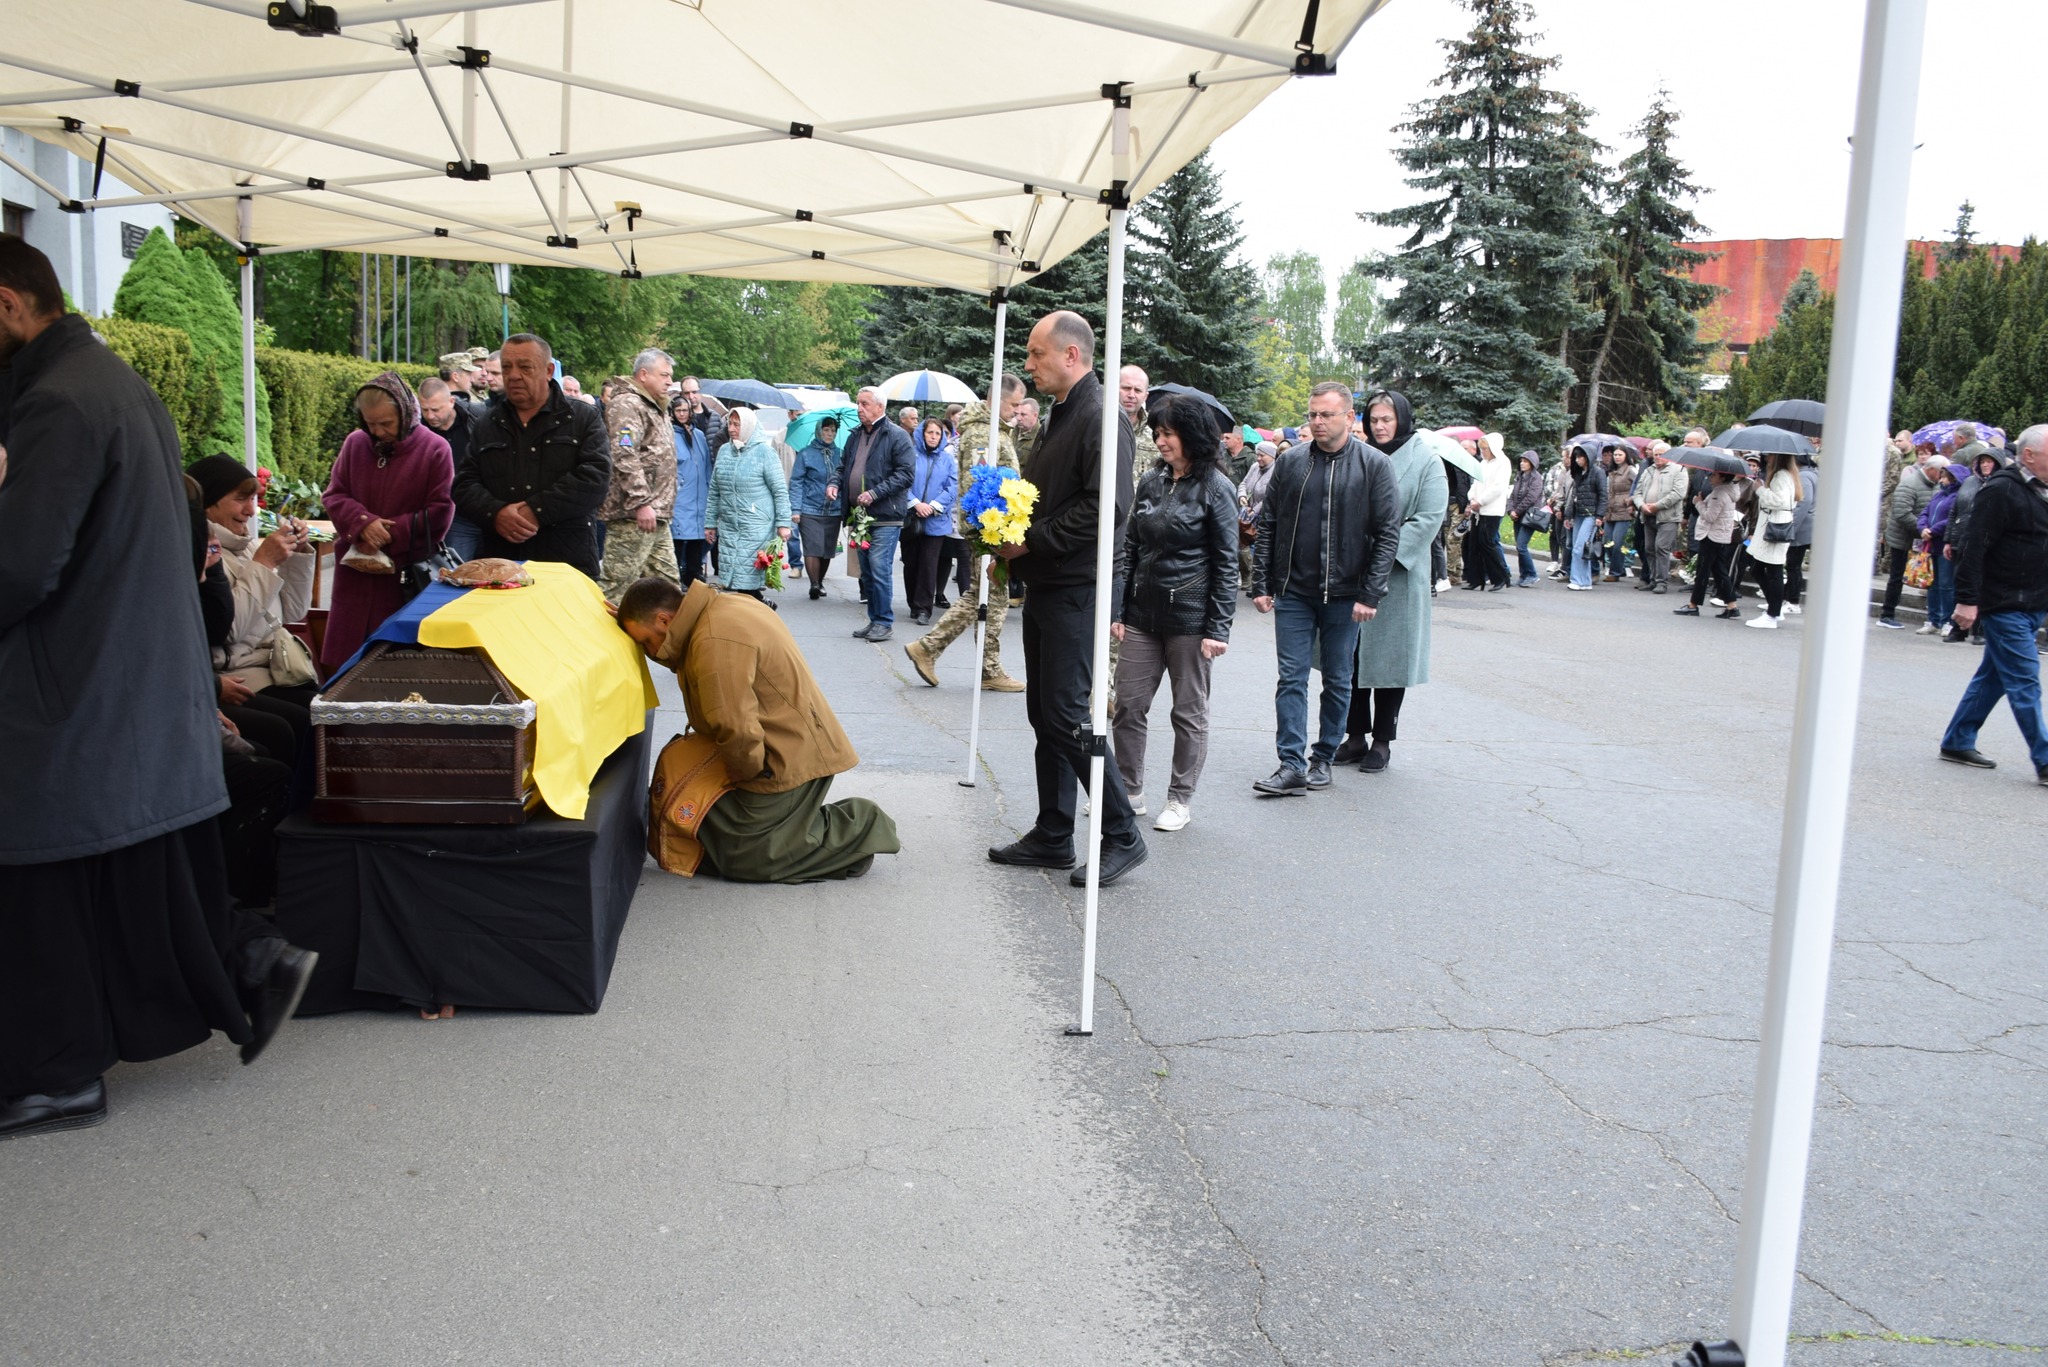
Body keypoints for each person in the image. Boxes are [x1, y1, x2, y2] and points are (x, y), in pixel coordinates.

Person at [0, 234, 314, 1138]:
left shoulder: (57, 402)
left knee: (42, 877)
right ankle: (248, 956)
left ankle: (57, 1069)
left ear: (9, 306)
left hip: (81, 683)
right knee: (129, 862)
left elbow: (22, 566)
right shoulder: (115, 384)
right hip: (130, 675)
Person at [985, 310, 1146, 886]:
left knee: (1065, 713)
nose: (1028, 365)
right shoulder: (1061, 413)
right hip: (1051, 583)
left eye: (1036, 354)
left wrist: (1030, 540)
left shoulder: (1103, 416)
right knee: (1044, 713)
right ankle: (1054, 833)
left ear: (1071, 356)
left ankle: (1122, 832)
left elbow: (1110, 509)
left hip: (1078, 586)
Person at [616, 578, 901, 879]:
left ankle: (862, 826)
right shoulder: (721, 607)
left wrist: (741, 780)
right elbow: (688, 657)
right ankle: (792, 825)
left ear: (664, 619)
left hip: (781, 759)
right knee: (712, 828)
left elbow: (737, 729)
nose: (649, 651)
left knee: (747, 858)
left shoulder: (714, 641)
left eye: (646, 641)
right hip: (778, 745)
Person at [1250, 381, 1401, 794]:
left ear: (1349, 419)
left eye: (1326, 415)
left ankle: (1324, 756)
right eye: (1313, 414)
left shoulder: (1374, 465)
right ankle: (1291, 763)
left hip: (1346, 594)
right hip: (1294, 591)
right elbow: (1271, 525)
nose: (1316, 422)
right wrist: (1261, 582)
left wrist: (1371, 593)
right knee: (1291, 678)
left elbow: (1388, 533)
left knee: (1337, 679)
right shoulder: (1292, 462)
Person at [1110, 396, 1238, 832]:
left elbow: (1227, 562)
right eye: (1157, 434)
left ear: (1191, 435)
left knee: (1188, 712)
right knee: (1127, 705)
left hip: (1191, 619)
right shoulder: (1150, 481)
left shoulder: (1218, 488)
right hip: (1142, 616)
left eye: (1168, 434)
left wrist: (1218, 627)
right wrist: (1118, 609)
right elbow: (1129, 548)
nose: (1160, 441)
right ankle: (1129, 790)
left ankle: (1180, 799)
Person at [320, 373, 456, 672]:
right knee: (346, 667)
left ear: (406, 413)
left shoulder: (435, 448)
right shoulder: (356, 443)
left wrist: (387, 534)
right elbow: (334, 495)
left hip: (403, 578)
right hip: (355, 574)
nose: (379, 432)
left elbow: (440, 511)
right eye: (371, 424)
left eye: (387, 424)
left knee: (397, 668)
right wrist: (362, 523)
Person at [1341, 390, 1447, 773]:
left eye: (1387, 419)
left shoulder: (1426, 461)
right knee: (1350, 658)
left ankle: (1382, 741)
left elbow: (1428, 518)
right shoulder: (1359, 456)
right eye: (1374, 419)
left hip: (1398, 578)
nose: (1380, 426)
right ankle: (1354, 736)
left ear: (1402, 418)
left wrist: (1382, 552)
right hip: (1352, 570)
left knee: (1389, 661)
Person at [903, 376, 1027, 693]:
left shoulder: (993, 430)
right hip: (988, 531)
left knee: (983, 595)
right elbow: (979, 486)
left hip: (992, 529)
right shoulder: (984, 434)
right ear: (996, 400)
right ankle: (974, 664)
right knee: (987, 596)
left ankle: (933, 650)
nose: (1017, 411)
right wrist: (995, 533)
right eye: (1013, 404)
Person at [1938, 424, 2048, 781]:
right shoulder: (2000, 490)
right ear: (2029, 455)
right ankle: (2045, 758)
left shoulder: (2042, 492)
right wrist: (1967, 601)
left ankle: (1957, 740)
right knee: (2025, 680)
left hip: (2034, 603)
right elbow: (1973, 549)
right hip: (2004, 604)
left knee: (1995, 677)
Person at [453, 332, 609, 580]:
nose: (514, 375)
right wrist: (497, 513)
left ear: (548, 371)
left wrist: (536, 511)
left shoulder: (582, 418)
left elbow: (595, 479)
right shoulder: (486, 423)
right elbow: (464, 485)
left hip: (567, 566)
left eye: (525, 367)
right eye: (507, 367)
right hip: (501, 564)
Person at [595, 348, 680, 603]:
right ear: (643, 374)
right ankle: (602, 642)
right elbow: (624, 453)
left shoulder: (654, 405)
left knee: (668, 587)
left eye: (670, 376)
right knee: (617, 587)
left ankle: (662, 640)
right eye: (664, 375)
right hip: (632, 515)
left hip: (657, 514)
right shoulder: (627, 404)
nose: (669, 381)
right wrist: (641, 502)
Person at [831, 386, 915, 642]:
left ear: (880, 407)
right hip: (860, 515)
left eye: (864, 403)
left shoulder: (897, 436)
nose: (859, 408)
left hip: (886, 515)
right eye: (858, 403)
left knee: (879, 567)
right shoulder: (855, 435)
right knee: (866, 569)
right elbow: (843, 466)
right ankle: (874, 619)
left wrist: (875, 493)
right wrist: (834, 483)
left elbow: (906, 474)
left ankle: (884, 622)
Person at [705, 406, 791, 604]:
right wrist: (710, 523)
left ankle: (758, 611)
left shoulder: (764, 453)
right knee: (734, 579)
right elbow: (715, 490)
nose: (732, 428)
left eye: (737, 424)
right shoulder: (725, 451)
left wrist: (783, 523)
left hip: (756, 525)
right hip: (729, 524)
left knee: (747, 578)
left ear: (749, 426)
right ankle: (761, 608)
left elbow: (779, 490)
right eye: (730, 424)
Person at [1943, 445, 2009, 641]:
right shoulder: (1970, 482)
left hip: (1986, 544)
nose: (1985, 465)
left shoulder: (2001, 485)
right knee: (1960, 583)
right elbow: (1954, 510)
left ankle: (1979, 631)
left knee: (1980, 586)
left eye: (1989, 461)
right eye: (1982, 461)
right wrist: (1948, 540)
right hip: (1961, 539)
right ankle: (1959, 629)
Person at [899, 417, 959, 625]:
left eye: (937, 433)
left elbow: (952, 487)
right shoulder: (910, 455)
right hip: (911, 518)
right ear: (922, 434)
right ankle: (912, 603)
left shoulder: (947, 459)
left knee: (928, 565)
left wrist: (932, 506)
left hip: (936, 520)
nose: (933, 437)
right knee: (911, 563)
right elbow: (902, 482)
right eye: (930, 433)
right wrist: (916, 503)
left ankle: (924, 608)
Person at [1878, 447, 1945, 628]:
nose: (1942, 476)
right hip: (1902, 538)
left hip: (1923, 538)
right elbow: (1902, 513)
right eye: (1941, 472)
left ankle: (1934, 616)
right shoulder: (1909, 484)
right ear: (1932, 469)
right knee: (1896, 576)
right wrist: (1922, 528)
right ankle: (1887, 614)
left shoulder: (1936, 485)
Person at [418, 377, 482, 559]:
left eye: (436, 409)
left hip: (484, 508)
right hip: (454, 516)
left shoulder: (477, 419)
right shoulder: (418, 431)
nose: (430, 416)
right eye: (425, 410)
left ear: (451, 402)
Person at [1745, 451, 1802, 629]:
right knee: (1760, 568)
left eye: (1770, 455)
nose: (1766, 458)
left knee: (1772, 569)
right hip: (1774, 526)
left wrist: (1760, 490)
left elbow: (1780, 501)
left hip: (1774, 528)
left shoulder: (1781, 476)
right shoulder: (1786, 475)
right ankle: (1774, 608)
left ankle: (1773, 612)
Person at [789, 416, 844, 600]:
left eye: (833, 431)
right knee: (813, 547)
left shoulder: (840, 454)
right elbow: (796, 482)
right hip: (810, 508)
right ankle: (813, 584)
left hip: (833, 510)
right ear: (819, 431)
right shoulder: (805, 453)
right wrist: (795, 510)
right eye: (826, 430)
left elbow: (844, 479)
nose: (830, 434)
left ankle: (820, 582)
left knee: (827, 549)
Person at [1676, 471, 1742, 619]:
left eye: (1714, 475)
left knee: (1703, 571)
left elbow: (1710, 516)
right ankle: (1732, 605)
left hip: (1711, 535)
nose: (1710, 478)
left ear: (1723, 477)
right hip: (1719, 535)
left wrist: (1698, 503)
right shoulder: (1728, 491)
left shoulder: (1719, 493)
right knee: (1719, 571)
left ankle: (1694, 605)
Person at [1917, 460, 1966, 636]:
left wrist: (1933, 530)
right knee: (1932, 584)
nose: (1941, 479)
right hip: (1930, 545)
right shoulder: (1938, 495)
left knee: (1946, 585)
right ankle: (1932, 619)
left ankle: (1947, 620)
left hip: (1943, 544)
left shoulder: (1958, 497)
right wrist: (1922, 528)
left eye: (1945, 476)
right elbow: (1924, 512)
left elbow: (1952, 519)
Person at [670, 391, 714, 586]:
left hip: (699, 494)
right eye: (678, 410)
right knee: (678, 539)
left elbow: (705, 465)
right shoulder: (669, 434)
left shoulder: (699, 435)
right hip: (681, 495)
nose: (682, 414)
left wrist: (708, 487)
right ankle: (676, 575)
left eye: (685, 410)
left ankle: (694, 575)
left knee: (697, 538)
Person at [1633, 443, 1688, 595]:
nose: (1657, 457)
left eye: (1661, 454)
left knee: (1661, 548)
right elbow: (1637, 492)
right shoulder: (1649, 471)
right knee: (1649, 548)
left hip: (1668, 517)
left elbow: (1678, 494)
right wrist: (1641, 505)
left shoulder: (1679, 470)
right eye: (1656, 454)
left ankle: (1662, 582)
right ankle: (1652, 580)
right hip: (1648, 514)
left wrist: (1657, 505)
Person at [1461, 431, 1512, 590]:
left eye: (1485, 449)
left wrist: (1480, 501)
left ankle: (1501, 577)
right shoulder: (1483, 464)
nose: (1483, 452)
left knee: (1489, 543)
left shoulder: (1503, 463)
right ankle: (1476, 579)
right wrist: (1472, 499)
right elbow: (1475, 484)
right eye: (1482, 449)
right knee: (1474, 544)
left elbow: (1498, 487)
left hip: (1492, 510)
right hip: (1478, 510)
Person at [1564, 439, 1608, 591]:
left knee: (1579, 548)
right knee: (1583, 549)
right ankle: (1585, 581)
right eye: (1576, 457)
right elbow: (1574, 496)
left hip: (1591, 515)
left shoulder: (1598, 472)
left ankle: (1577, 579)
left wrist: (1599, 516)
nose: (1577, 460)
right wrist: (1568, 516)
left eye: (1580, 457)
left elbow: (1603, 496)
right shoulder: (1578, 474)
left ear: (1588, 457)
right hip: (1579, 515)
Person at [1236, 439, 1278, 591]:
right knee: (1244, 546)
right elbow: (1243, 484)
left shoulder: (1276, 470)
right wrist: (1242, 497)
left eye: (1262, 456)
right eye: (1258, 455)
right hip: (1248, 513)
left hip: (1264, 516)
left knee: (1260, 549)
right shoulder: (1254, 467)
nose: (1259, 458)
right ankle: (1251, 578)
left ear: (1272, 456)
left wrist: (1256, 510)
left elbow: (1270, 495)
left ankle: (1261, 583)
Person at [1784, 450, 1820, 614]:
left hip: (1803, 527)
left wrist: (1791, 527)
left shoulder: (1804, 476)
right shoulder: (1813, 474)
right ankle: (1789, 598)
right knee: (1793, 565)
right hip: (1809, 525)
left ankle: (1793, 601)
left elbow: (1802, 504)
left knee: (1793, 565)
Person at [1505, 451, 1545, 587]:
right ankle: (1524, 575)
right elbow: (1512, 496)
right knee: (1519, 546)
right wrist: (1510, 510)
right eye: (1521, 461)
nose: (1522, 463)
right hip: (1518, 516)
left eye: (1525, 461)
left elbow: (1531, 497)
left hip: (1530, 516)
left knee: (1521, 545)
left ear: (1532, 463)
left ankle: (1532, 574)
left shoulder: (1536, 478)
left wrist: (1517, 510)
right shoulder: (1519, 477)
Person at [1117, 363, 1162, 480]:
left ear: (1145, 396)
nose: (1131, 395)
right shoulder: (1099, 425)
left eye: (1137, 390)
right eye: (1126, 388)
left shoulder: (1156, 432)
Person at [1601, 445, 1637, 581]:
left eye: (1620, 455)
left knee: (1617, 543)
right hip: (1610, 511)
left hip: (1624, 512)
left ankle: (1615, 572)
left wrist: (1631, 500)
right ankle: (1619, 568)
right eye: (1615, 455)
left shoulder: (1631, 470)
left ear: (1626, 456)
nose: (1617, 457)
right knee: (1607, 541)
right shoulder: (1611, 471)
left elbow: (1640, 486)